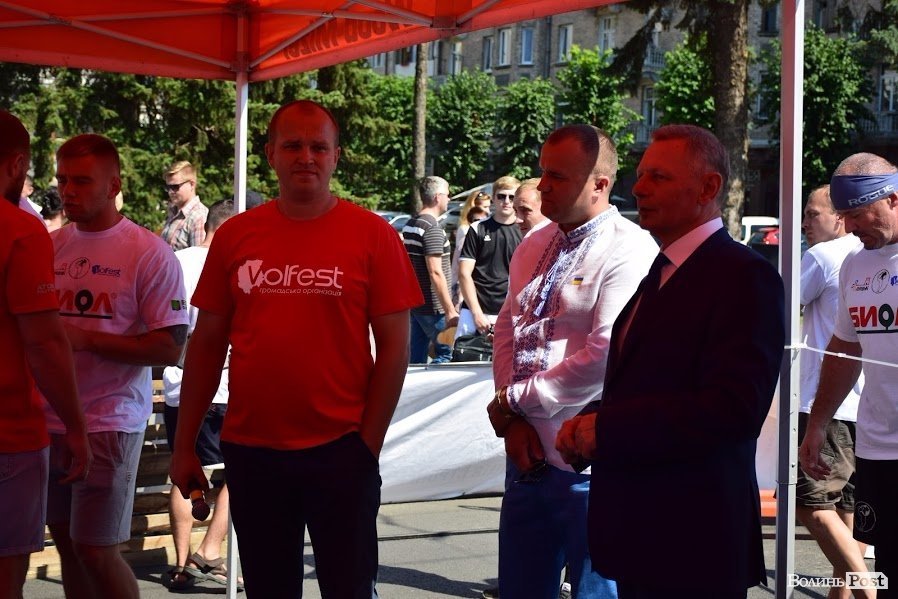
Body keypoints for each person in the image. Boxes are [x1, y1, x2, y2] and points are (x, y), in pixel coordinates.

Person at [170, 99, 423, 598]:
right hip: (255, 453)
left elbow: (396, 351)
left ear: (336, 156)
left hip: (342, 450)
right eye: (292, 145)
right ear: (270, 154)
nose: (306, 156)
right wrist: (183, 447)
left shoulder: (373, 235)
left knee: (348, 590)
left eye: (318, 147)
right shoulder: (237, 235)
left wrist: (366, 447)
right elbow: (205, 347)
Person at [556, 124, 785, 598]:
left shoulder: (743, 276)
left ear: (708, 187)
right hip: (644, 534)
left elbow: (734, 409)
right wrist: (590, 423)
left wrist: (608, 428)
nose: (639, 188)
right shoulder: (663, 270)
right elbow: (651, 382)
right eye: (640, 175)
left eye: (658, 177)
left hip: (693, 541)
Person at [487, 125, 656, 599]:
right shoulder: (533, 243)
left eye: (557, 176)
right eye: (543, 172)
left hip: (590, 463)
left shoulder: (630, 247)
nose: (542, 186)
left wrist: (513, 402)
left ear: (599, 184)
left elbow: (604, 355)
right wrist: (512, 417)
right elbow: (508, 329)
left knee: (595, 591)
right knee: (521, 589)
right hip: (526, 454)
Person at [46, 133, 189, 599]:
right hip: (47, 419)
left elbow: (169, 347)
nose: (68, 191)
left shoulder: (148, 252)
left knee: (96, 550)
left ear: (113, 185)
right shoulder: (48, 246)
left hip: (108, 422)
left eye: (82, 181)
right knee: (67, 546)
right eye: (63, 180)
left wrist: (86, 339)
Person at [0, 110, 91, 599]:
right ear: (17, 165)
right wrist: (75, 426)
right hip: (8, 433)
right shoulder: (20, 229)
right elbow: (44, 341)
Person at [800, 153, 898, 598]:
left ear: (892, 198)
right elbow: (844, 350)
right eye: (844, 215)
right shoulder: (855, 265)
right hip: (877, 446)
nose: (851, 226)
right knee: (889, 565)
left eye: (858, 213)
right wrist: (817, 424)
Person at [798, 184, 871, 598]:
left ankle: (867, 591)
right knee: (849, 512)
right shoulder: (866, 256)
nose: (805, 223)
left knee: (810, 504)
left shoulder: (823, 256)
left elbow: (778, 303)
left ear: (839, 217)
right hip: (865, 405)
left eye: (813, 214)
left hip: (827, 401)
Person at [162, 200, 239, 591]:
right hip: (220, 384)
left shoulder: (177, 262)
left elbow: (169, 319)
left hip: (180, 384)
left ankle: (182, 564)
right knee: (238, 475)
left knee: (184, 475)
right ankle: (208, 553)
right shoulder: (231, 264)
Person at [403, 176, 460, 364]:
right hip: (435, 308)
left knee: (416, 359)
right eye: (447, 195)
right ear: (437, 197)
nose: (449, 199)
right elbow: (435, 272)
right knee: (446, 354)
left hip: (417, 304)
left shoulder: (411, 224)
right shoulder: (432, 228)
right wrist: (449, 310)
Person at [457, 176, 522, 338]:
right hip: (474, 311)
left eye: (511, 197)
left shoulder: (525, 231)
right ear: (493, 198)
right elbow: (464, 273)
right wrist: (476, 313)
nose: (506, 201)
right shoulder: (477, 228)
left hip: (509, 313)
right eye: (501, 196)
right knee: (464, 354)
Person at [451, 191, 491, 301]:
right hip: (465, 284)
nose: (488, 211)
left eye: (489, 207)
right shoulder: (466, 230)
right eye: (485, 207)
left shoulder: (484, 229)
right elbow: (460, 261)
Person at [160, 161, 208, 251]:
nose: (170, 192)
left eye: (175, 187)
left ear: (192, 184)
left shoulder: (199, 217)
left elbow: (199, 257)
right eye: (168, 187)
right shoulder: (173, 212)